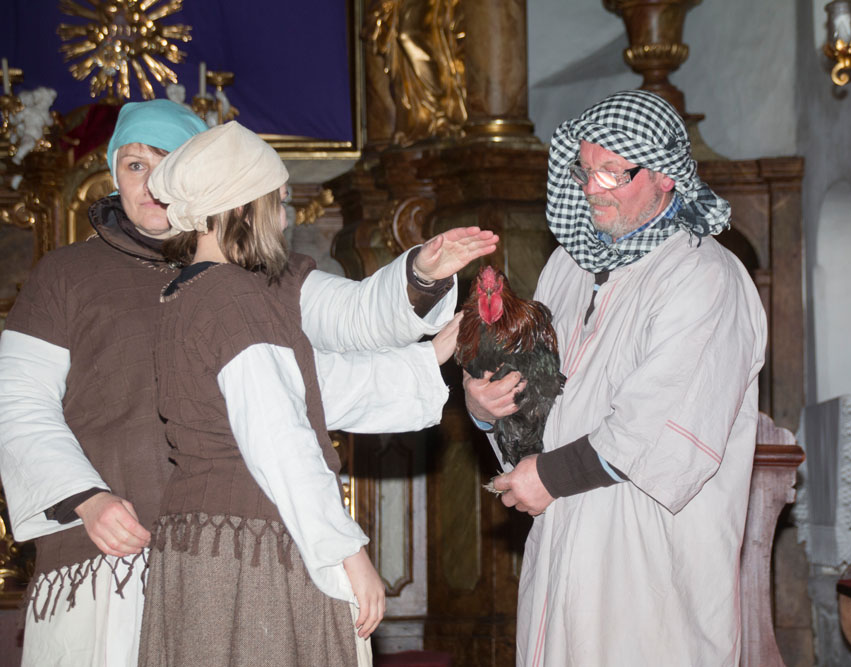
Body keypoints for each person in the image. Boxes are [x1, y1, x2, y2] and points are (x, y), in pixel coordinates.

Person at [0, 100, 494, 667]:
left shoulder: (256, 277)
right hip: (113, 557)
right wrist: (87, 498)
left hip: (224, 549)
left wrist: (422, 279)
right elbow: (17, 401)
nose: (153, 183)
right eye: (136, 165)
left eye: (168, 163)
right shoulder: (67, 275)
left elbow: (326, 356)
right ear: (112, 174)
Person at [463, 90, 768, 666]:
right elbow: (543, 406)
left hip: (646, 562)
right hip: (561, 547)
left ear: (665, 176)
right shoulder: (568, 266)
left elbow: (659, 430)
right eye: (584, 171)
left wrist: (548, 476)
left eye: (612, 172)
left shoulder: (702, 276)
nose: (591, 188)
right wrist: (487, 410)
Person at [137, 120, 457, 666]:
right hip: (251, 546)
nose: (284, 219)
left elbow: (303, 390)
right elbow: (281, 438)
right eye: (278, 202)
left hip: (199, 543)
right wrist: (349, 551)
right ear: (243, 206)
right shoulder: (237, 296)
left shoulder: (184, 293)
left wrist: (429, 359)